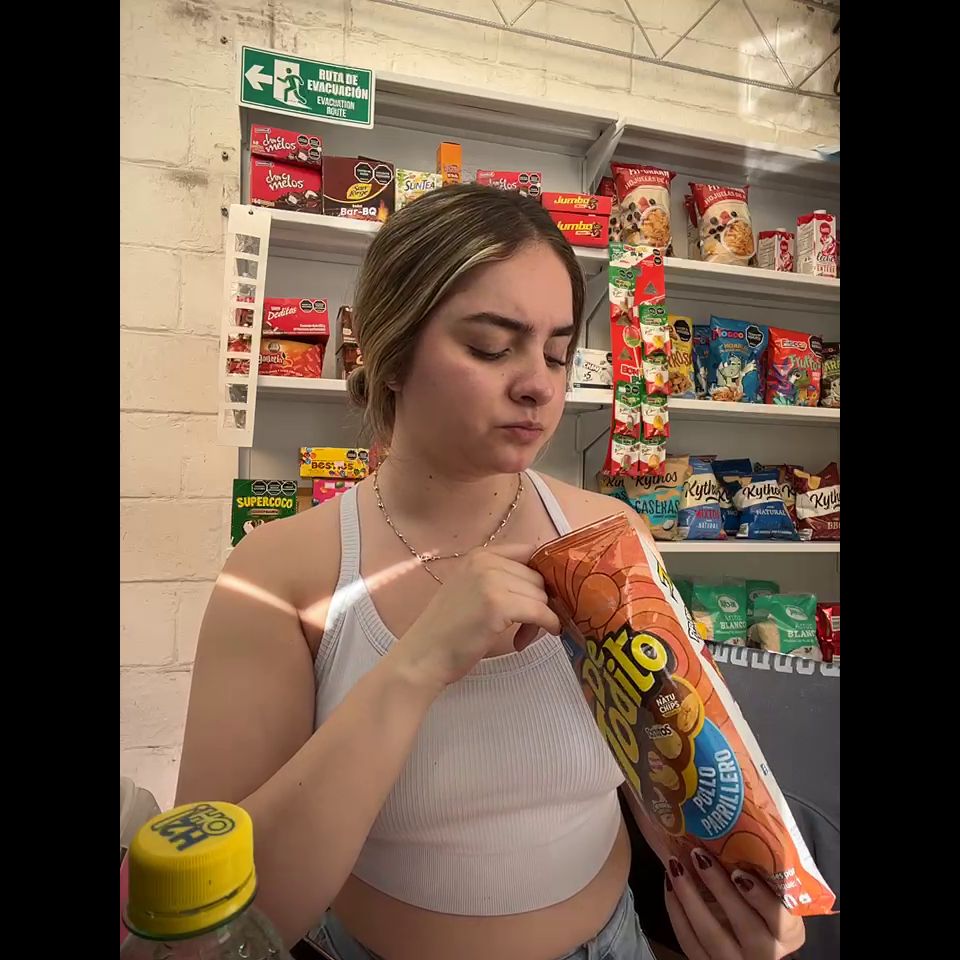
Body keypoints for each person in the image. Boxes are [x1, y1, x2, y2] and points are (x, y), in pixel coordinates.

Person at [177, 184, 805, 960]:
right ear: (391, 351)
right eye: (489, 346)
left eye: (555, 352)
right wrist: (416, 666)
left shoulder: (608, 536)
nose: (539, 383)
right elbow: (214, 920)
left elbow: (668, 767)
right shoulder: (277, 573)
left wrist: (740, 893)